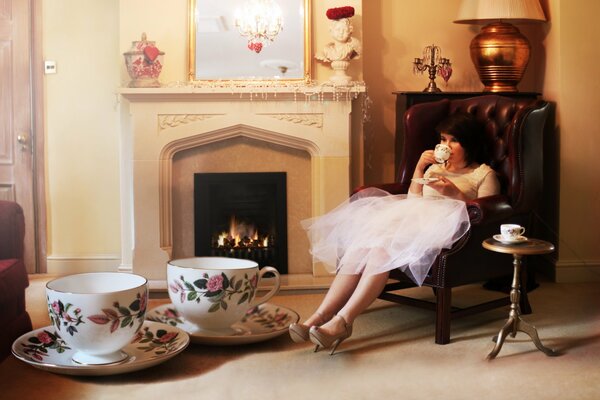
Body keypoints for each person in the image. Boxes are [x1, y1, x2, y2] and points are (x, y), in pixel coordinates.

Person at [288, 112, 500, 354]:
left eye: (453, 140)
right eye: (442, 139)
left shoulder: (483, 174)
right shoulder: (434, 169)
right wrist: (420, 167)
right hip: (413, 219)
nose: (445, 146)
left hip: (445, 231)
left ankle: (343, 321)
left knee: (380, 251)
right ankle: (319, 317)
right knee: (362, 247)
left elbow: (484, 216)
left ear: (469, 143)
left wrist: (456, 195)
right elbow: (413, 198)